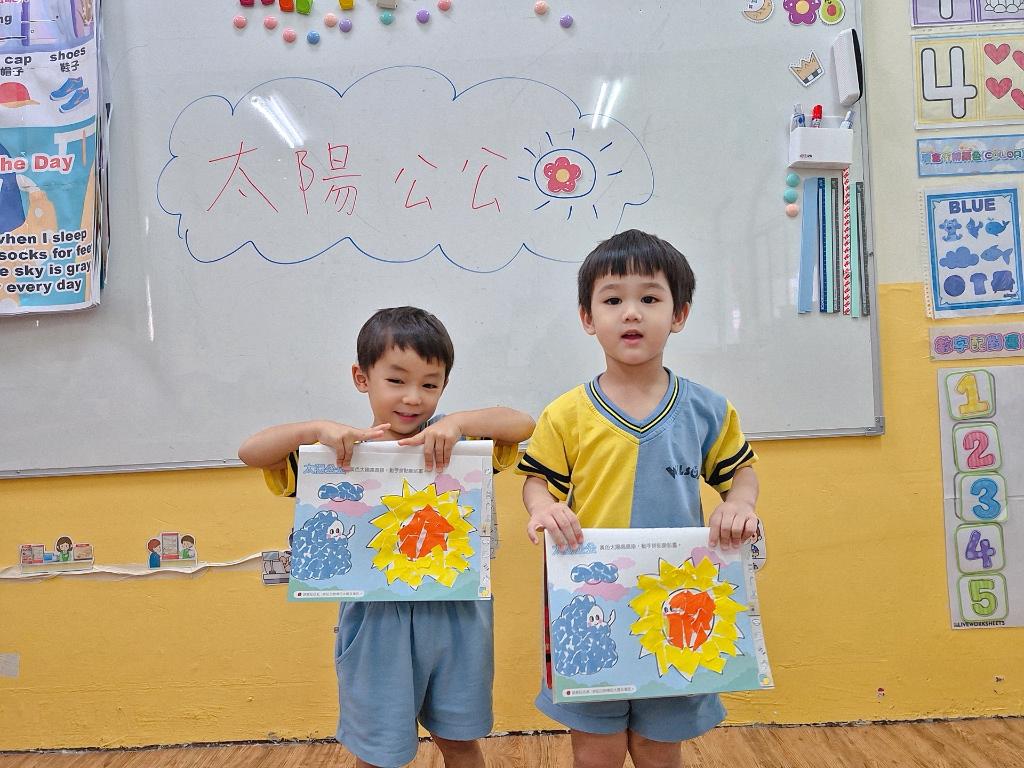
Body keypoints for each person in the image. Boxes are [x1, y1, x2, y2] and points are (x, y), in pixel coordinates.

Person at [238, 306, 535, 768]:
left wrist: (457, 423)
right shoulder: (338, 455)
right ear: (362, 378)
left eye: (430, 384)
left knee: (459, 739)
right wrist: (315, 430)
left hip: (457, 614)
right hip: (377, 622)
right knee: (379, 751)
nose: (413, 397)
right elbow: (251, 451)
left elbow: (522, 424)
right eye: (396, 380)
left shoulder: (459, 447)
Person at [516, 230, 761, 768]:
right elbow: (537, 482)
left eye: (650, 298)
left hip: (677, 604)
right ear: (588, 318)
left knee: (658, 745)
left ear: (679, 314)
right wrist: (542, 507)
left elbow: (739, 474)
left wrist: (739, 504)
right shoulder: (565, 414)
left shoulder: (707, 409)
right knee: (596, 748)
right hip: (589, 602)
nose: (631, 313)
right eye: (612, 300)